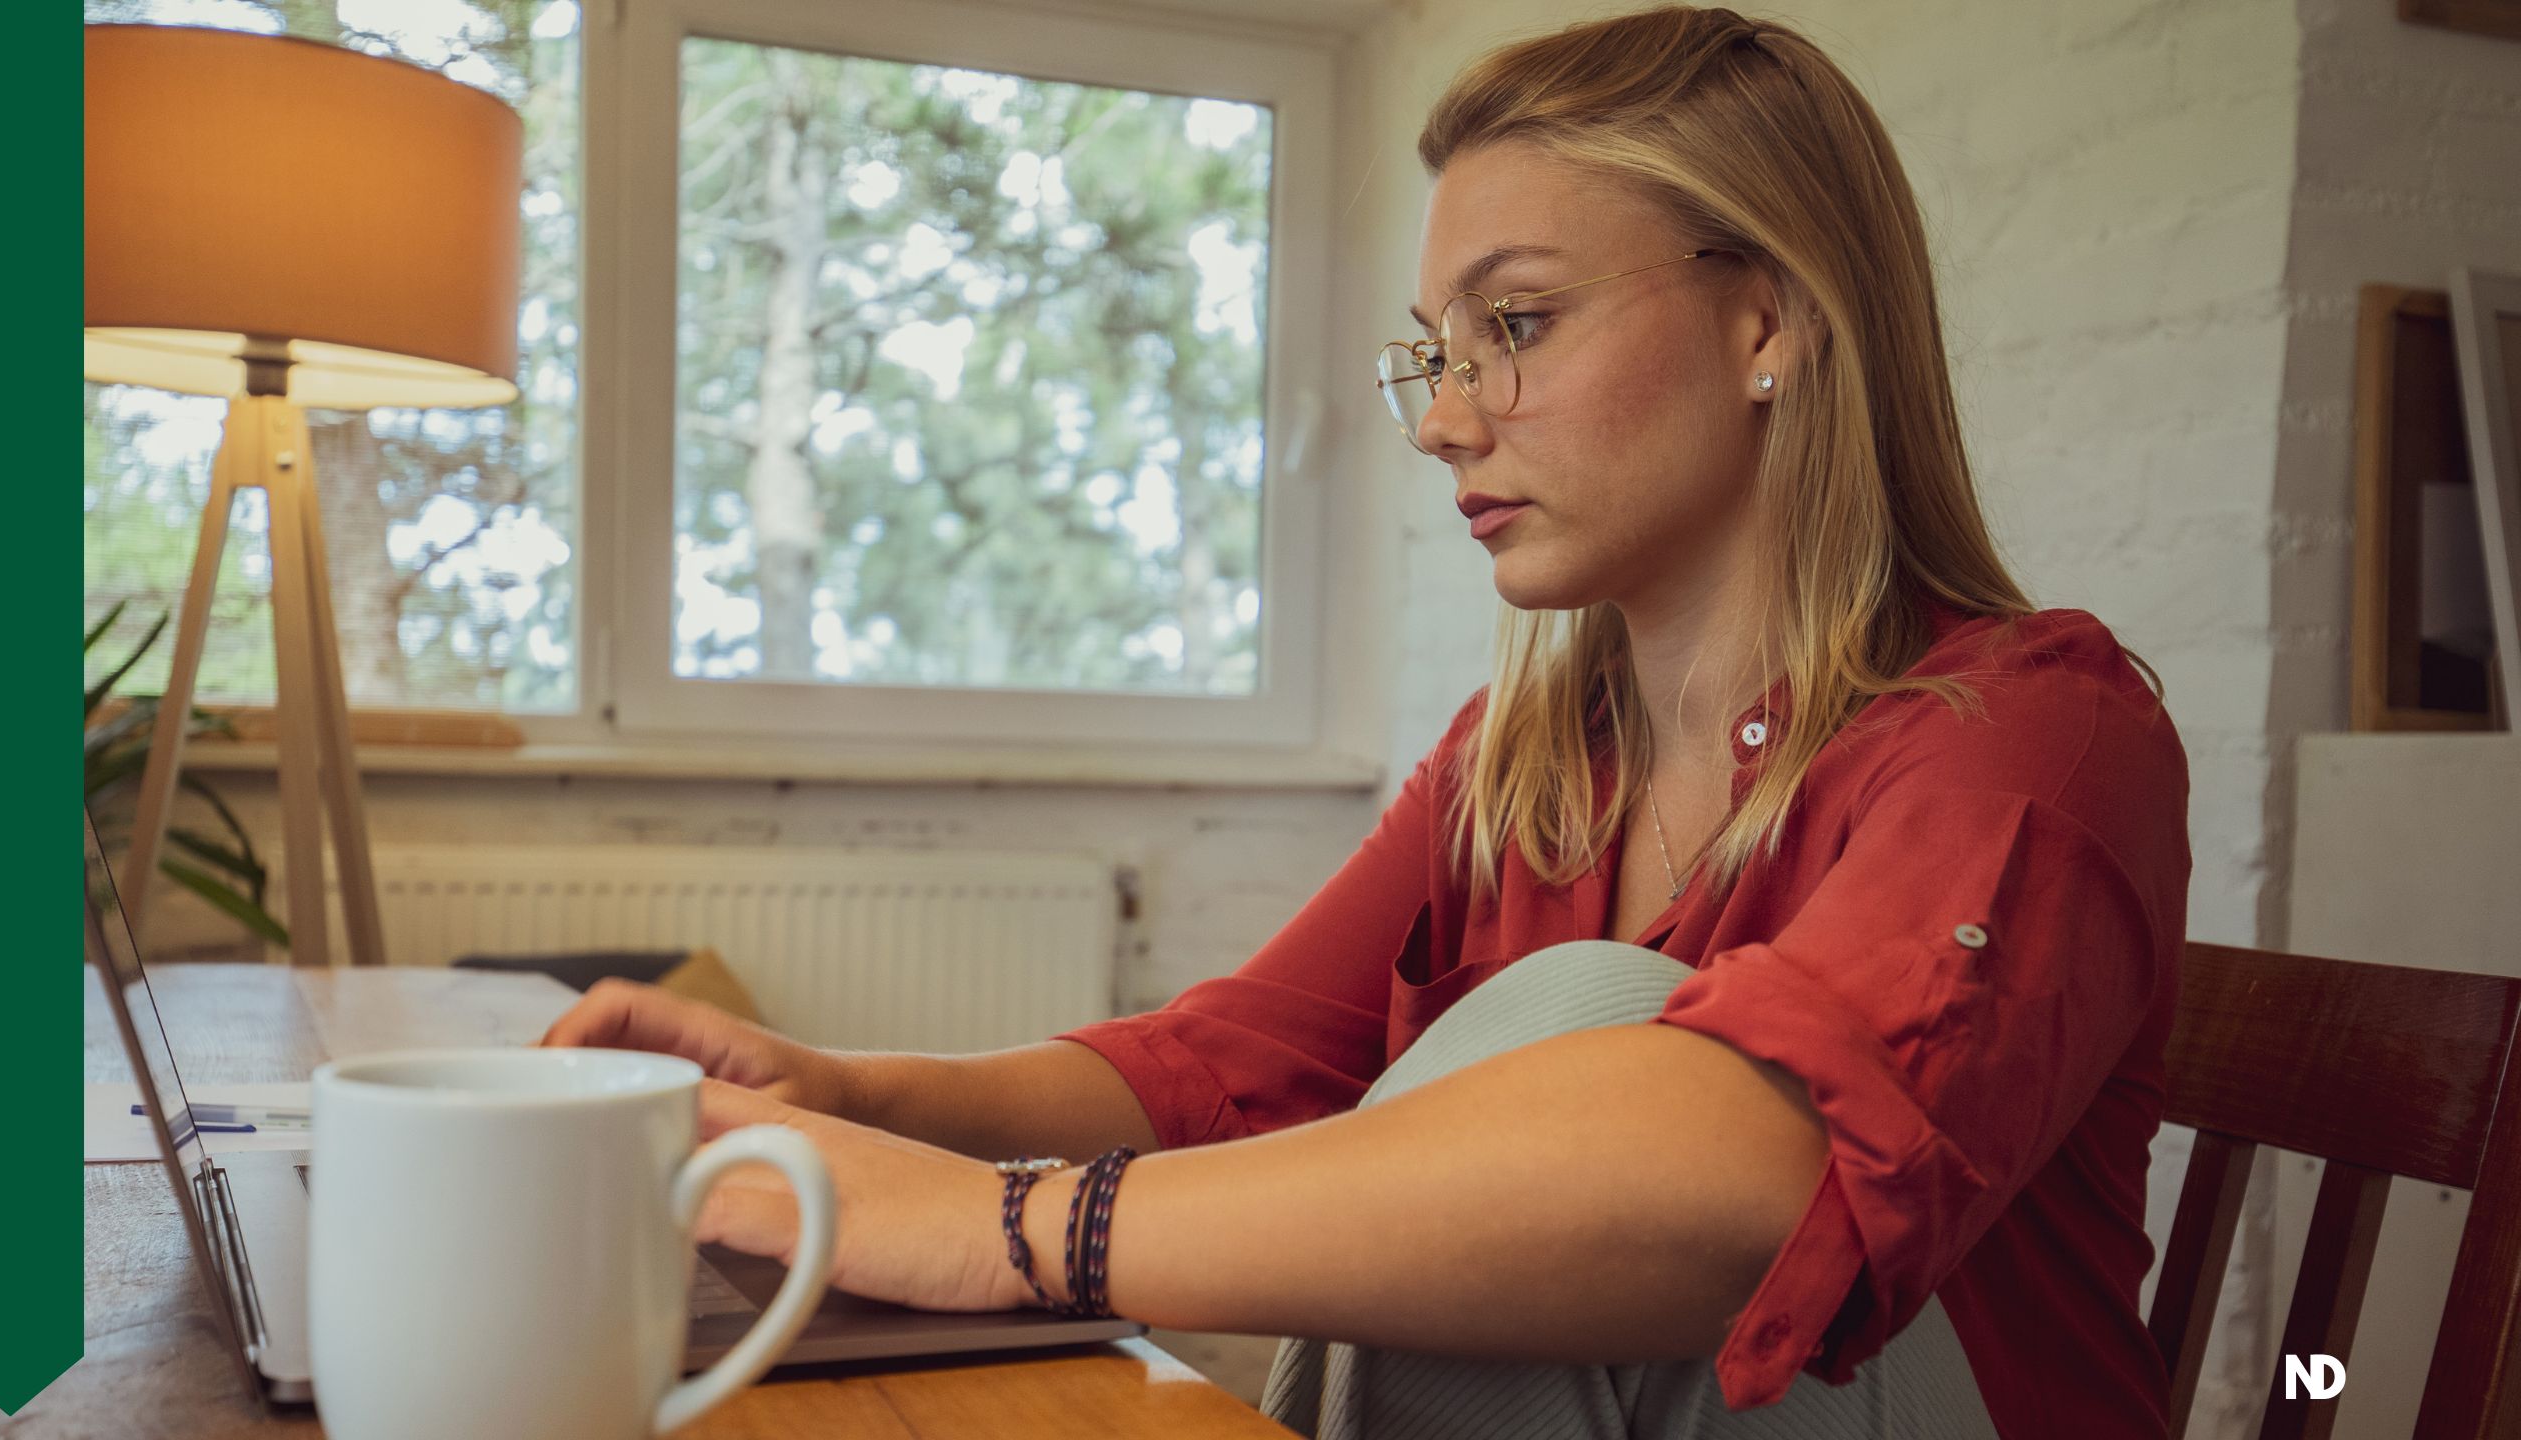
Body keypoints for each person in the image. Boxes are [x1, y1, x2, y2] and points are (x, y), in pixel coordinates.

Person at [539, 7, 2191, 1437]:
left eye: (1517, 326)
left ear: (1765, 321)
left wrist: (1015, 1229)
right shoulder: (1530, 762)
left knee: (1596, 1021)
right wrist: (857, 1099)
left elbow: (1750, 1190)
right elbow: (1232, 1067)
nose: (1445, 421)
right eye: (1437, 352)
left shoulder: (2039, 730)